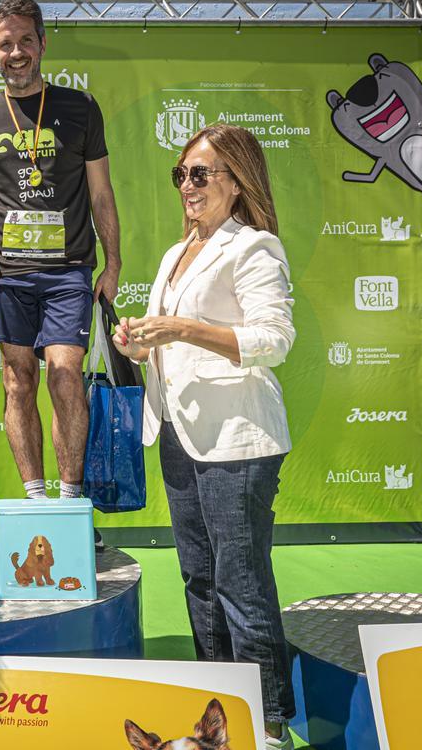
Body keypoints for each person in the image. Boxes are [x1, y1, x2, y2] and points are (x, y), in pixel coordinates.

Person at [111, 124, 296, 750]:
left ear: (237, 181)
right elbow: (174, 342)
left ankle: (269, 726)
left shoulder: (254, 247)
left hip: (237, 439)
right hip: (178, 433)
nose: (187, 185)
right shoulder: (176, 251)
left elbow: (273, 340)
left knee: (240, 582)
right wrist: (139, 342)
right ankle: (220, 724)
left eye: (201, 173)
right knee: (198, 579)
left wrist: (182, 327)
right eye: (181, 173)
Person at [0, 0, 121, 543]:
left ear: (43, 44)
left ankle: (72, 503)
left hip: (69, 269)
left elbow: (100, 192)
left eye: (27, 41)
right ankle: (36, 501)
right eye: (6, 44)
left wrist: (113, 261)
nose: (17, 52)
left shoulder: (80, 108)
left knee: (65, 371)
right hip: (7, 273)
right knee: (18, 381)